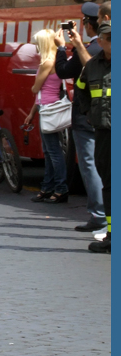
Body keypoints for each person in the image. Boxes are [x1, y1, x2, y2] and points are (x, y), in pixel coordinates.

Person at [55, 2, 106, 232]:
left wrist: (64, 48)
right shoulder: (98, 48)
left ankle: (98, 216)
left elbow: (66, 71)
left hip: (90, 119)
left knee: (91, 166)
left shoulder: (94, 50)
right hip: (100, 117)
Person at [76, 21, 111, 253]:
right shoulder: (92, 66)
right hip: (104, 133)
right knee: (109, 185)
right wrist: (89, 113)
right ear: (101, 42)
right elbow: (81, 89)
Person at [24, 28, 69, 204]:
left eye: (37, 43)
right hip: (47, 107)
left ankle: (59, 188)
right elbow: (41, 93)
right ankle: (48, 187)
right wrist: (31, 113)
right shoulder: (53, 61)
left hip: (49, 110)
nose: (35, 47)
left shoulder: (47, 63)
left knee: (53, 152)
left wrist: (35, 91)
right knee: (50, 151)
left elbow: (36, 89)